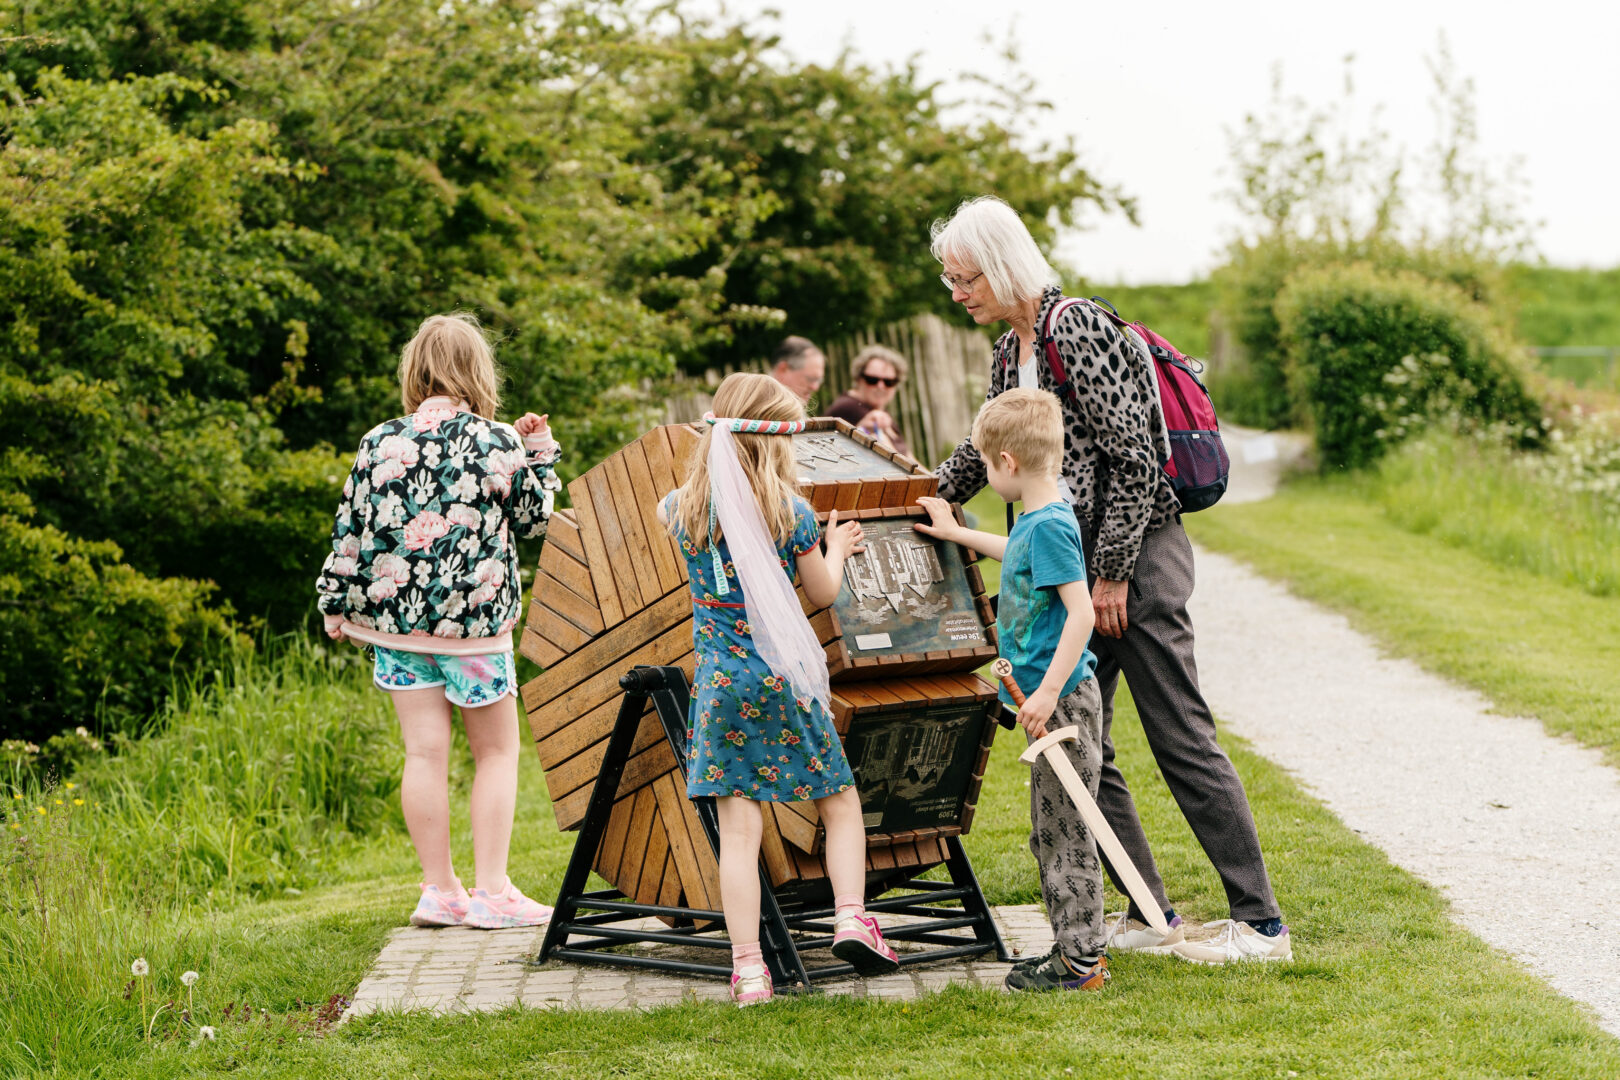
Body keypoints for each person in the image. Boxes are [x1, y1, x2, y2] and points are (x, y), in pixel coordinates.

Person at [931, 195, 1292, 964]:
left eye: (964, 278)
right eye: (950, 281)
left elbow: (1137, 456)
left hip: (1133, 567)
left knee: (1181, 736)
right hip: (1072, 571)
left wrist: (1115, 575)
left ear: (999, 266)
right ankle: (1149, 912)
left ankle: (1261, 925)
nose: (956, 293)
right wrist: (917, 501)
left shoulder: (1077, 327)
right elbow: (987, 449)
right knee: (1086, 741)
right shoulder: (1010, 352)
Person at [315, 313, 563, 932]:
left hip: (396, 628)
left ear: (414, 369)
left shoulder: (378, 440)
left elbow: (351, 527)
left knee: (423, 754)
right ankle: (493, 893)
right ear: (476, 369)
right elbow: (536, 522)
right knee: (498, 752)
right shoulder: (496, 439)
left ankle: (440, 891)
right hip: (474, 631)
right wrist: (540, 452)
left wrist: (335, 602)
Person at [657, 372, 898, 1006]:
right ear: (776, 441)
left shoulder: (677, 509)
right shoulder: (791, 513)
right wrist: (837, 547)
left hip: (721, 683)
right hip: (784, 679)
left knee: (739, 836)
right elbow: (821, 594)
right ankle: (852, 917)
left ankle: (750, 971)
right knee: (839, 802)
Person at [915, 388, 1113, 992]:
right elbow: (1021, 557)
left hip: (1062, 704)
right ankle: (1072, 952)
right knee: (1049, 828)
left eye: (985, 464)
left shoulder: (1051, 522)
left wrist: (1048, 695)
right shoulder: (1039, 515)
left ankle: (1080, 963)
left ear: (1007, 462)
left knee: (1066, 831)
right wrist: (958, 534)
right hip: (1047, 701)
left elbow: (1080, 615)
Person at [824, 344, 911, 456]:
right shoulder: (849, 408)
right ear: (858, 379)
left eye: (889, 382)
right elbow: (898, 460)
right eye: (872, 380)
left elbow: (910, 458)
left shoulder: (878, 410)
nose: (880, 386)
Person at [769, 335, 826, 406]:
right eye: (810, 379)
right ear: (783, 369)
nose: (815, 387)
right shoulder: (760, 409)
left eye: (819, 380)